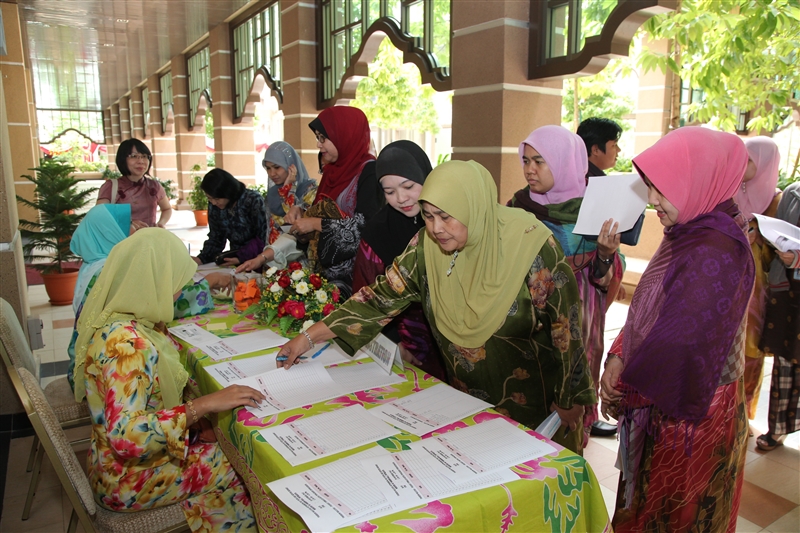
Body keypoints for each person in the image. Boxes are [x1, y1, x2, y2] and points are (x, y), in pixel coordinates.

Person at [277, 160, 595, 454]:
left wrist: (570, 398)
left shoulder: (531, 249)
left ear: (475, 208)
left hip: (537, 409)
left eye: (446, 216)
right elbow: (378, 297)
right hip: (466, 405)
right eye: (428, 216)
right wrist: (308, 337)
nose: (436, 228)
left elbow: (565, 327)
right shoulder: (426, 248)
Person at [599, 127, 754, 532]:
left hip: (690, 416)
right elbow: (650, 307)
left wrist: (625, 389)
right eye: (650, 186)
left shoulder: (716, 250)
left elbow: (681, 346)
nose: (651, 201)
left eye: (661, 189)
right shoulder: (689, 229)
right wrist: (619, 354)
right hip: (662, 400)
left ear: (697, 181)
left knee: (674, 517)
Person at [73, 229, 263, 532]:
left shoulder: (129, 320)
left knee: (225, 445)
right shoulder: (127, 344)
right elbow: (127, 436)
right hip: (127, 479)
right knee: (243, 465)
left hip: (109, 463)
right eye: (176, 281)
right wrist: (202, 406)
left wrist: (198, 420)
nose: (180, 289)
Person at [509, 125, 623, 440]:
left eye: (540, 161)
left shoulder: (593, 209)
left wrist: (604, 254)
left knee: (567, 409)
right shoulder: (517, 206)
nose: (529, 170)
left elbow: (604, 280)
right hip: (527, 325)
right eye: (526, 160)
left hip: (576, 325)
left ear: (564, 162)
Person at [67, 205, 228, 391]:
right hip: (107, 377)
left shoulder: (97, 264)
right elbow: (156, 303)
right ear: (110, 232)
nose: (137, 224)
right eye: (128, 223)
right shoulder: (110, 273)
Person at [351, 140, 444, 381]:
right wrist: (391, 345)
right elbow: (366, 294)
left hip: (461, 343)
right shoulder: (378, 232)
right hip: (410, 347)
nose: (401, 198)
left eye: (409, 186)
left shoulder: (450, 220)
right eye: (389, 192)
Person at [287, 106, 384, 298]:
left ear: (344, 135)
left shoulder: (369, 172)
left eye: (323, 138)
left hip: (355, 281)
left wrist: (314, 223)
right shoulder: (332, 171)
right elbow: (323, 211)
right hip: (325, 277)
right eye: (318, 138)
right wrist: (303, 220)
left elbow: (365, 225)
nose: (318, 145)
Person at [734, 136, 782, 430]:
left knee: (751, 352)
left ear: (764, 164)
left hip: (760, 290)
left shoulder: (777, 202)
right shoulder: (730, 194)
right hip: (731, 282)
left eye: (749, 160)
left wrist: (760, 239)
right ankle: (723, 410)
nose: (743, 166)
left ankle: (744, 416)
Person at [756, 181, 800, 452]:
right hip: (789, 292)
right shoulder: (793, 192)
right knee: (785, 361)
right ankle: (778, 428)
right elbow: (779, 234)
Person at [237, 142, 317, 272]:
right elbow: (270, 229)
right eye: (268, 168)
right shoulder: (272, 194)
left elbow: (292, 224)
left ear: (291, 166)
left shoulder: (309, 191)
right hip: (272, 259)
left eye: (277, 167)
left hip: (299, 261)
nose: (272, 173)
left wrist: (289, 189)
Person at [193, 168, 268, 267]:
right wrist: (201, 259)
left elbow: (263, 237)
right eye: (209, 198)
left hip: (259, 259)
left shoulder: (253, 200)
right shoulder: (215, 205)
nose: (214, 203)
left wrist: (241, 258)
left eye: (216, 198)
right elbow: (216, 237)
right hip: (234, 258)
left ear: (227, 192)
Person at [96, 138, 172, 228]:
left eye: (144, 156)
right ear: (123, 159)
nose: (141, 161)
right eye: (134, 156)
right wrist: (128, 224)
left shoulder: (154, 186)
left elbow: (167, 209)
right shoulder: (111, 187)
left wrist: (161, 223)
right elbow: (100, 215)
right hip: (122, 240)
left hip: (148, 239)